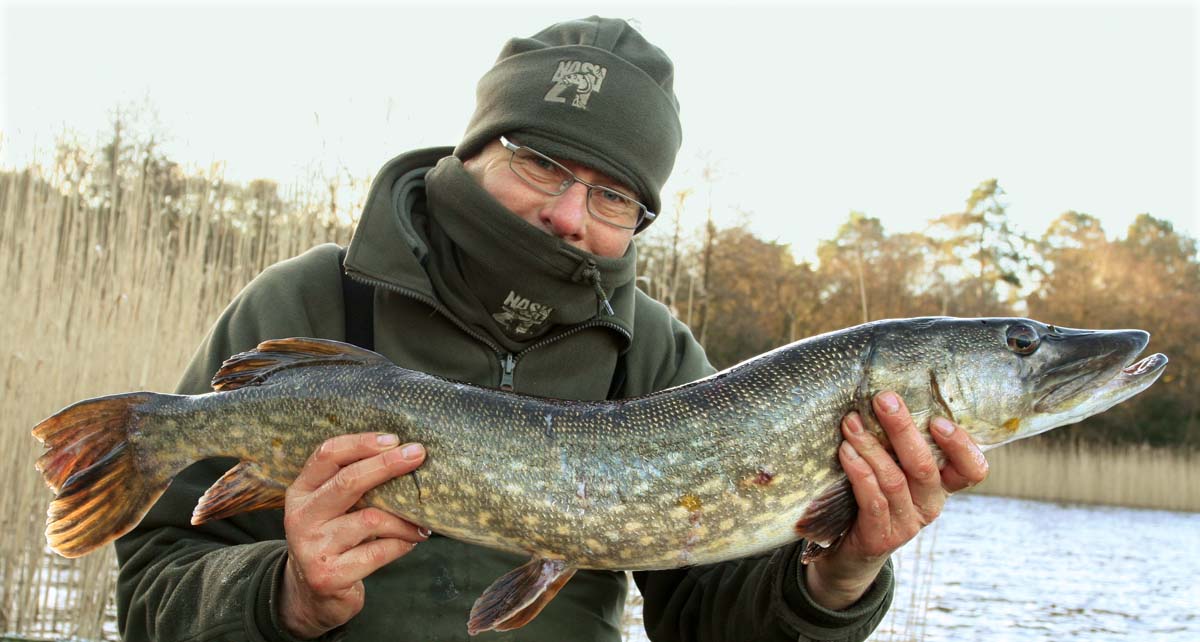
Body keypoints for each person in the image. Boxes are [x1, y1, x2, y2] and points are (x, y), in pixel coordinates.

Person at [115, 16, 988, 642]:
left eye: (612, 195)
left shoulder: (654, 354)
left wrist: (837, 579)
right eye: (540, 162)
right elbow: (151, 586)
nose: (570, 216)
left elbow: (708, 619)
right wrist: (282, 596)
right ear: (471, 152)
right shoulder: (308, 304)